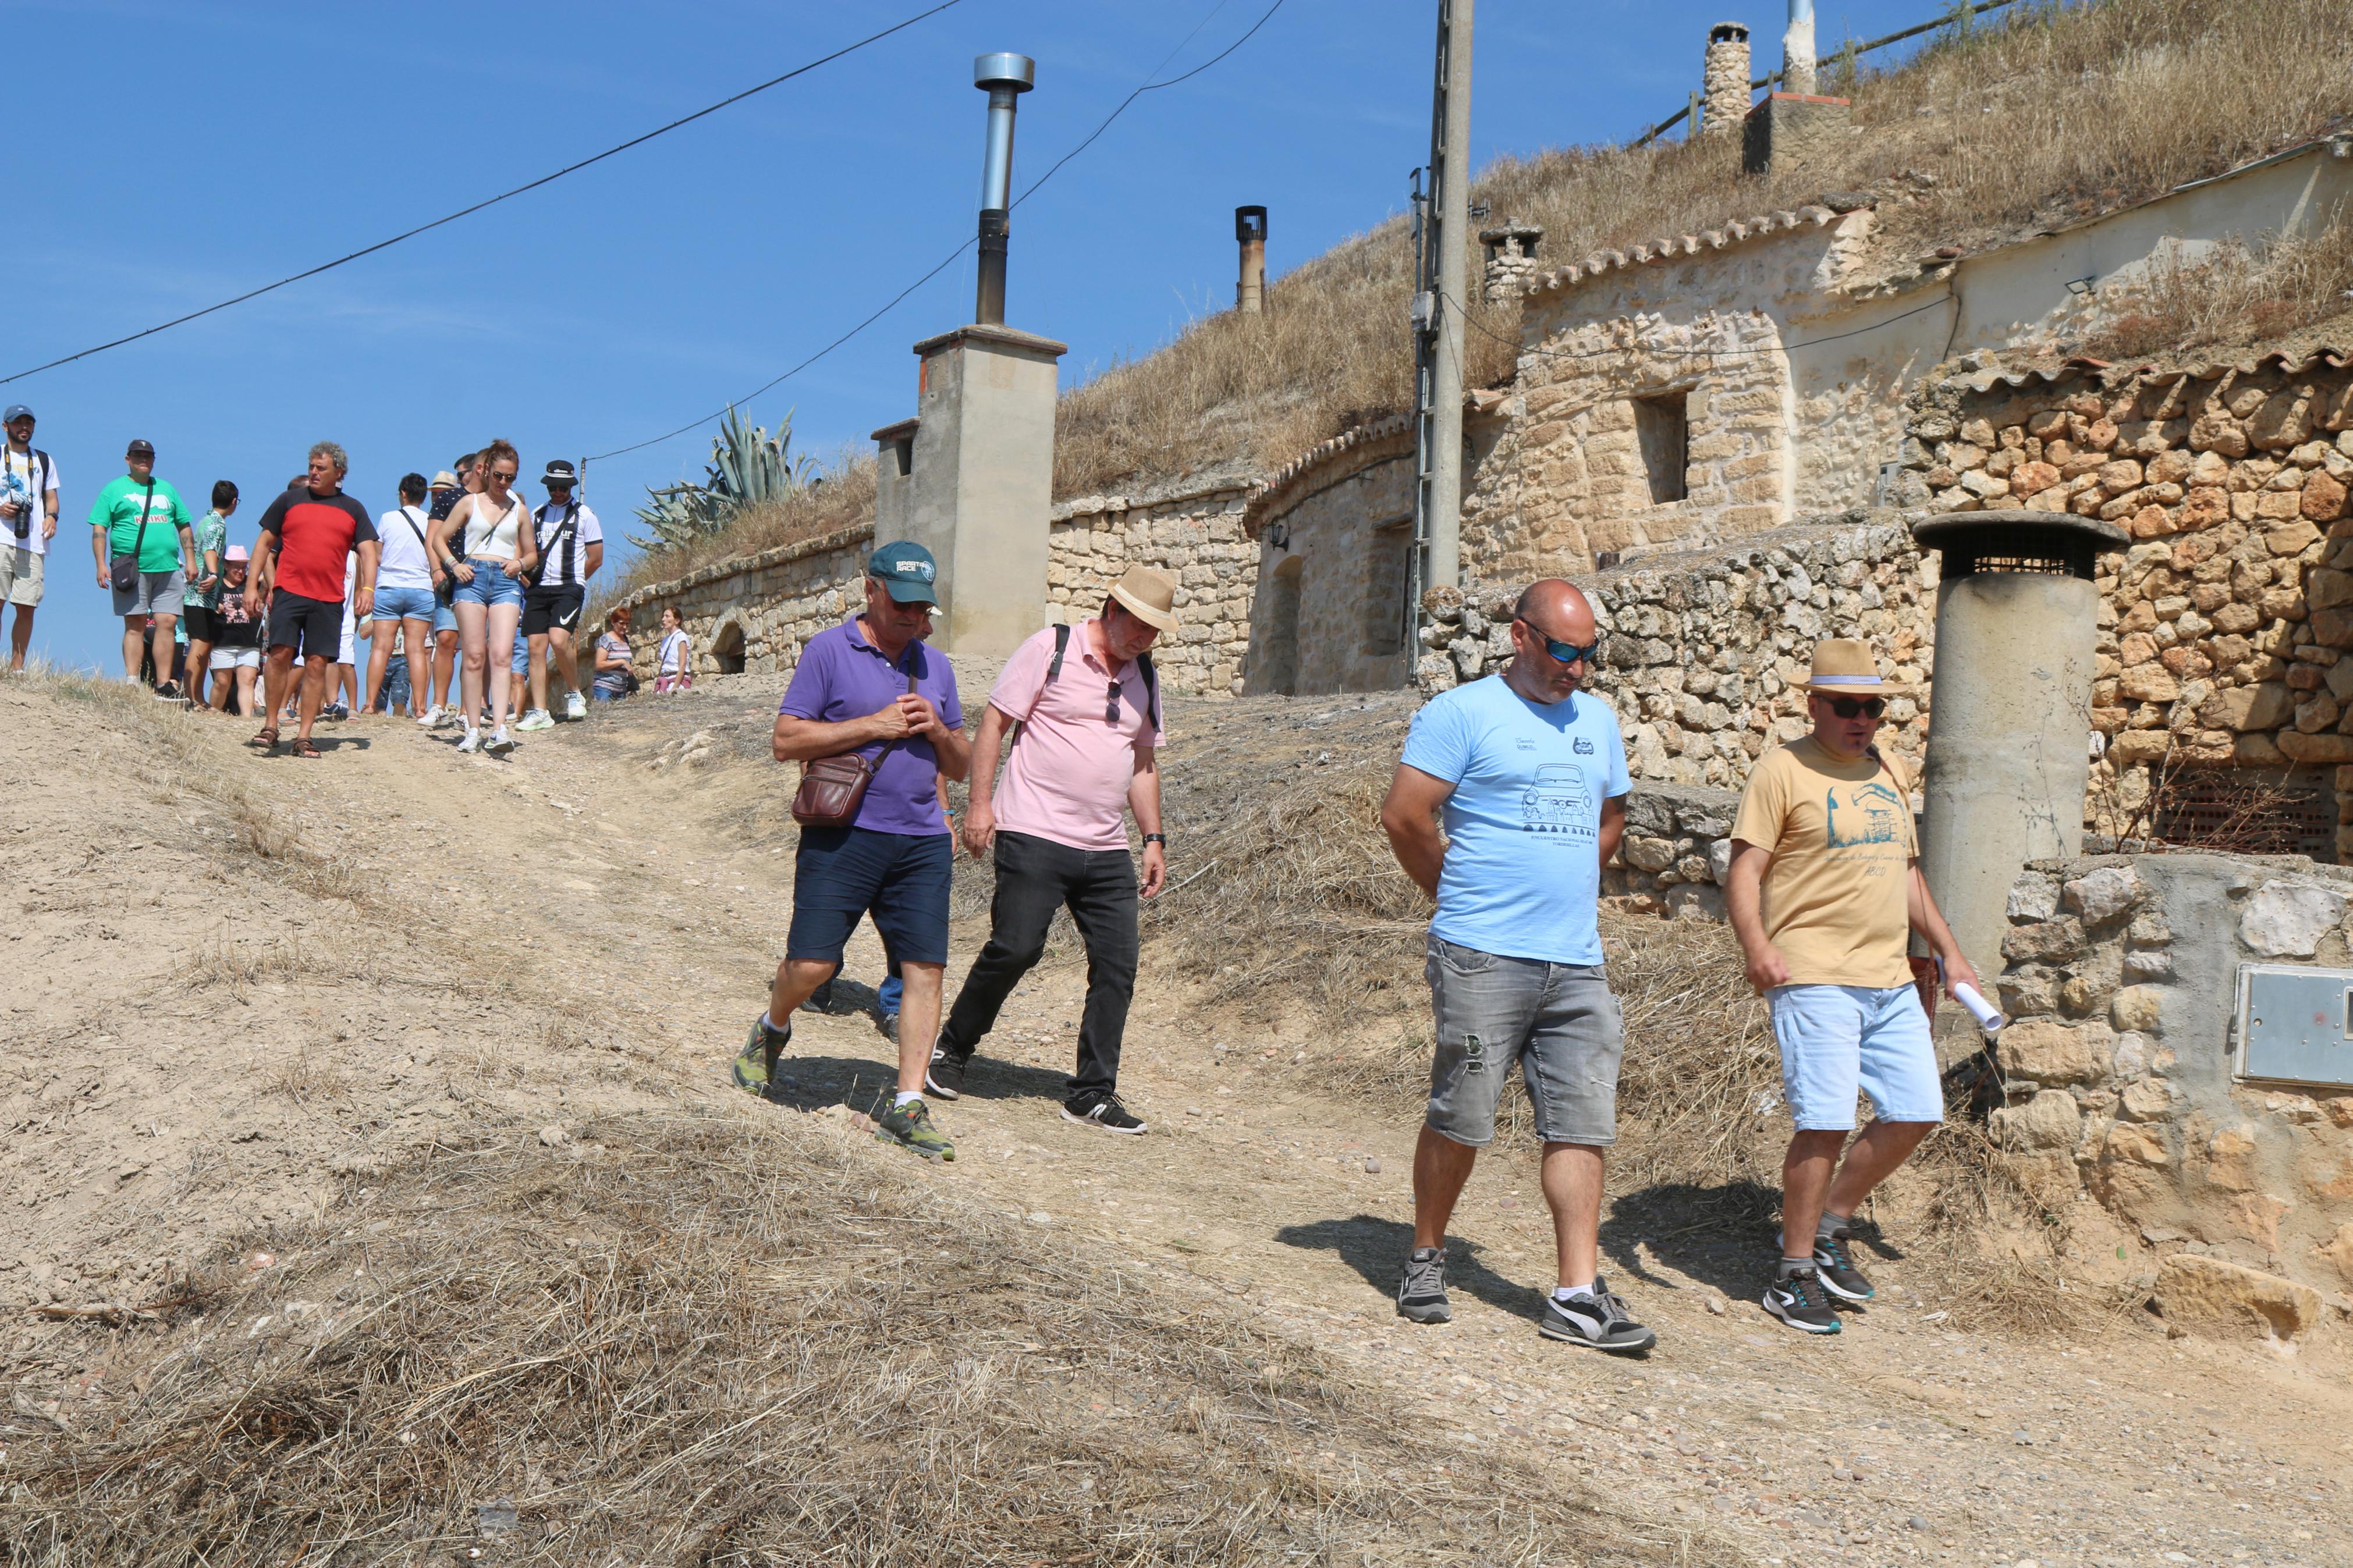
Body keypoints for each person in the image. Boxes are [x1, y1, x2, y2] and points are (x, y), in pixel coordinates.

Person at [1378, 578, 1652, 1353]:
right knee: (1462, 1107)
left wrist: (1569, 883)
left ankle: (1573, 1293)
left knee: (1580, 1121)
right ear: (1519, 635)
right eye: (1562, 650)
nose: (1575, 667)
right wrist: (1454, 891)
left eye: (1587, 653)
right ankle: (1426, 1253)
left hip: (1575, 966)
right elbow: (1403, 814)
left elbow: (1611, 814)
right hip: (1479, 960)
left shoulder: (1595, 720)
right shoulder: (1460, 713)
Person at [1726, 639, 1981, 1335]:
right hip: (1811, 971)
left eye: (1871, 707)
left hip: (1887, 974)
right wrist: (1757, 948)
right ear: (1813, 704)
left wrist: (1951, 956)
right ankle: (1793, 1271)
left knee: (1917, 1108)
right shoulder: (1780, 771)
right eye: (1846, 706)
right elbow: (1744, 871)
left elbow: (1905, 876)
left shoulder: (1887, 770)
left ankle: (1831, 1222)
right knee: (1825, 1120)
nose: (1860, 719)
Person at [731, 542, 971, 1162]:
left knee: (925, 970)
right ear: (871, 590)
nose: (914, 619)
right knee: (813, 967)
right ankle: (772, 1027)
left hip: (920, 839)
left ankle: (907, 1102)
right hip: (843, 834)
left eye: (923, 609)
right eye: (903, 605)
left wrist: (937, 729)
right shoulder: (828, 651)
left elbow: (963, 765)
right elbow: (786, 740)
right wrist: (875, 725)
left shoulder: (936, 667)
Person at [927, 566, 1177, 1134]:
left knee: (1118, 964)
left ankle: (1091, 1092)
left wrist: (1152, 838)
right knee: (1015, 946)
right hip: (1033, 831)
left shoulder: (1144, 676)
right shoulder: (1051, 647)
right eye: (1138, 625)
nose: (1143, 639)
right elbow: (993, 725)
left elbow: (1141, 764)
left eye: (1153, 632)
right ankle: (951, 1049)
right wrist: (979, 806)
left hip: (1105, 847)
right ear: (1112, 610)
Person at [249, 442, 379, 759]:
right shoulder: (289, 500)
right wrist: (252, 586)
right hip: (289, 591)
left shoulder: (353, 508)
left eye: (321, 468)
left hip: (328, 598)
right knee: (279, 655)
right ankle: (271, 725)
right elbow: (264, 542)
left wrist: (368, 590)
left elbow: (368, 551)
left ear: (340, 473)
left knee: (317, 664)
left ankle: (304, 736)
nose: (314, 473)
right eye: (312, 466)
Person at [427, 439, 536, 755]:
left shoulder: (519, 510)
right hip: (472, 578)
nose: (504, 483)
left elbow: (531, 554)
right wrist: (453, 566)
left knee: (501, 655)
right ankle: (473, 729)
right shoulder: (469, 503)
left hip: (505, 581)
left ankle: (499, 729)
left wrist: (520, 564)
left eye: (510, 478)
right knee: (474, 656)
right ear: (487, 472)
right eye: (499, 476)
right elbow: (439, 539)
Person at [88, 439, 198, 697]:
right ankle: (132, 679)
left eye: (148, 456)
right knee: (135, 624)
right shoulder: (113, 490)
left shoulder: (167, 489)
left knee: (168, 622)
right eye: (138, 456)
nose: (143, 460)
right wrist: (101, 564)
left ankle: (163, 683)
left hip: (168, 568)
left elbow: (183, 524)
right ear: (128, 459)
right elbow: (99, 528)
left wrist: (190, 559)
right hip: (132, 568)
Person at [516, 458, 602, 731]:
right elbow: (525, 552)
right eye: (553, 486)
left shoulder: (585, 515)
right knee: (535, 648)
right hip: (539, 589)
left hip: (569, 587)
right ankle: (540, 711)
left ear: (571, 486)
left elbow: (596, 558)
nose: (558, 492)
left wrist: (577, 581)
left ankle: (574, 692)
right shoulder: (537, 515)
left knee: (559, 638)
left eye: (563, 487)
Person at [367, 472, 438, 719]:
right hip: (421, 588)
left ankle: (369, 704)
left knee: (381, 648)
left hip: (390, 586)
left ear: (403, 493)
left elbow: (377, 555)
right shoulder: (431, 520)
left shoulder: (388, 518)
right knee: (416, 650)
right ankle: (419, 707)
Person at [0, 404, 60, 673]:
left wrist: (51, 518)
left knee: (27, 607)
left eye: (28, 423)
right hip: (1, 539)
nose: (23, 427)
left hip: (33, 543)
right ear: (6, 427)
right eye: (17, 423)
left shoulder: (44, 460)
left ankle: (18, 668)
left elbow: (52, 500)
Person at [416, 463, 468, 727]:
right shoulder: (448, 500)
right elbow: (432, 537)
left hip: (480, 578)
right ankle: (439, 705)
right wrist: (437, 568)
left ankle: (469, 708)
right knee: (445, 639)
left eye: (462, 474)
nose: (461, 479)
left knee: (475, 647)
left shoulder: (497, 502)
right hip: (449, 576)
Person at [181, 481, 237, 707]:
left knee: (205, 643)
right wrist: (215, 573)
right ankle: (190, 696)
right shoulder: (216, 524)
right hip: (199, 594)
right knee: (200, 643)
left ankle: (198, 697)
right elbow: (210, 550)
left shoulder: (206, 521)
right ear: (234, 502)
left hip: (205, 596)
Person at [207, 546, 262, 716]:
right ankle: (214, 712)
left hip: (250, 642)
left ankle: (246, 720)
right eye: (236, 566)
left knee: (248, 680)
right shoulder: (217, 586)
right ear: (226, 565)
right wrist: (214, 606)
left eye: (243, 567)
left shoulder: (252, 584)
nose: (240, 571)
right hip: (223, 641)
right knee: (222, 682)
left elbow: (268, 573)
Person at [590, 606, 633, 702]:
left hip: (621, 690)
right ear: (613, 622)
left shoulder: (626, 640)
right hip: (604, 689)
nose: (625, 627)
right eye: (622, 623)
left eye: (627, 624)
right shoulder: (606, 639)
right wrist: (621, 662)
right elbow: (599, 665)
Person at [654, 605, 693, 693]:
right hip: (664, 680)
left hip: (676, 681)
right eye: (663, 616)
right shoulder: (665, 641)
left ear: (677, 620)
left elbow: (682, 665)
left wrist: (674, 689)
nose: (663, 619)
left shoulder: (681, 637)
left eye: (667, 616)